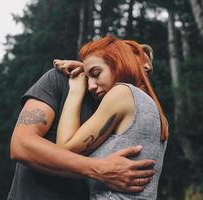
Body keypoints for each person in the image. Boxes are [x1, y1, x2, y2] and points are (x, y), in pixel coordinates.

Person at [7, 46, 157, 199]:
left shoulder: (131, 107)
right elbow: (21, 145)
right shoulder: (60, 80)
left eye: (148, 71)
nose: (145, 72)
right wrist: (100, 169)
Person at [54, 35, 169, 200]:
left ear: (119, 64)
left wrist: (76, 90)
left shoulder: (121, 93)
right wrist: (89, 68)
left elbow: (63, 151)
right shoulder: (156, 113)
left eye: (95, 73)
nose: (91, 86)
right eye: (88, 78)